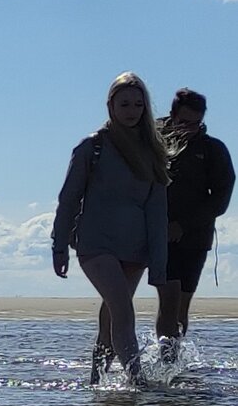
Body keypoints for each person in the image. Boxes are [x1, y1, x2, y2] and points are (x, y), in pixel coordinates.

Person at [52, 72, 169, 385]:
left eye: (138, 105)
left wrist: (159, 264)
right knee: (123, 309)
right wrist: (59, 245)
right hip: (96, 245)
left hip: (135, 249)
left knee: (111, 319)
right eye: (125, 104)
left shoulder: (153, 152)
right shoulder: (92, 148)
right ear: (110, 106)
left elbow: (157, 213)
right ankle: (138, 381)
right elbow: (68, 200)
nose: (131, 111)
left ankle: (96, 381)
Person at [155, 89, 234, 359]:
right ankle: (163, 365)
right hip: (158, 235)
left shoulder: (213, 149)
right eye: (183, 122)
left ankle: (171, 362)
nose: (188, 129)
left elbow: (221, 199)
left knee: (181, 308)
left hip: (195, 238)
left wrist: (183, 225)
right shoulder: (152, 138)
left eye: (195, 123)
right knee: (169, 300)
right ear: (173, 115)